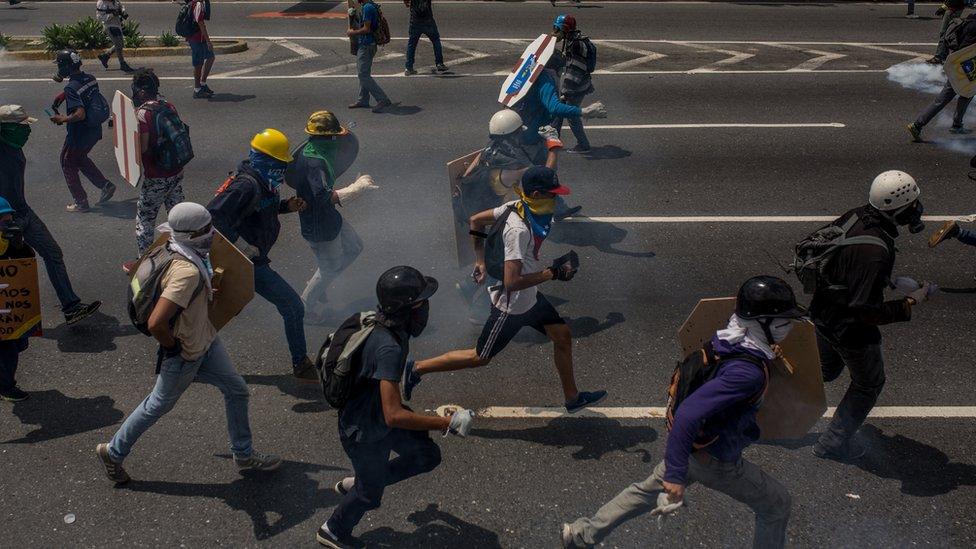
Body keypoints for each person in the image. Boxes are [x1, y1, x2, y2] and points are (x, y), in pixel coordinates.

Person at [562, 276, 801, 549]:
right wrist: (675, 475)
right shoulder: (747, 373)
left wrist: (677, 466)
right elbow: (688, 413)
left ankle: (581, 534)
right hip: (716, 460)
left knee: (643, 493)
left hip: (689, 448)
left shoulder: (730, 337)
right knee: (777, 503)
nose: (788, 326)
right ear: (762, 323)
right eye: (783, 320)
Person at [96, 202, 281, 484]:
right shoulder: (186, 273)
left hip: (204, 336)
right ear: (192, 234)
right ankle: (114, 451)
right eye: (207, 229)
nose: (213, 233)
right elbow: (156, 322)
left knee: (237, 390)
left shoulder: (169, 246)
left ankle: (243, 453)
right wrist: (172, 347)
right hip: (187, 350)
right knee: (156, 405)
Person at [405, 167, 607, 413]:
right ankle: (417, 368)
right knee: (480, 357)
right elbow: (512, 282)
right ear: (535, 193)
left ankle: (572, 398)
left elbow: (476, 220)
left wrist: (479, 260)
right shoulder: (518, 231)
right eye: (551, 195)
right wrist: (552, 273)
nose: (555, 200)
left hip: (530, 298)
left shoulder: (516, 206)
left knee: (562, 336)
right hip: (511, 306)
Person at [316, 266, 474, 549]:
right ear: (406, 308)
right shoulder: (388, 345)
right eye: (421, 303)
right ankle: (333, 530)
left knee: (426, 455)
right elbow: (394, 415)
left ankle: (362, 481)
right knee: (369, 496)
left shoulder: (386, 326)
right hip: (365, 430)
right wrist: (444, 423)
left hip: (376, 418)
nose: (426, 308)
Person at [809, 170, 931, 462]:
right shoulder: (875, 251)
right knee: (868, 383)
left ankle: (764, 404)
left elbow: (844, 262)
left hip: (823, 313)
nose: (917, 209)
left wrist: (887, 280)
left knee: (824, 371)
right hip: (849, 329)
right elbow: (865, 311)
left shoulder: (856, 216)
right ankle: (832, 444)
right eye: (913, 204)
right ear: (901, 208)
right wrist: (909, 302)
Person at [207, 128, 316, 382]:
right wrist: (242, 246)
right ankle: (301, 365)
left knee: (219, 311)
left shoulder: (266, 181)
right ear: (267, 161)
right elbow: (212, 217)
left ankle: (185, 354)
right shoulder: (244, 185)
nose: (282, 170)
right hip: (243, 261)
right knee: (292, 306)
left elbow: (258, 209)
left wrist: (286, 206)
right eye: (279, 164)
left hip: (253, 260)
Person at [453, 110, 562, 322]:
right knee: (503, 263)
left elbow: (466, 175)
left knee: (496, 259)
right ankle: (481, 310)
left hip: (477, 212)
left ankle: (467, 286)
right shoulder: (509, 169)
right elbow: (541, 178)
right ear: (513, 135)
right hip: (491, 218)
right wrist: (553, 146)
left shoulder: (488, 151)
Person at [0, 104, 101, 325]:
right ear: (6, 128)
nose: (27, 130)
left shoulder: (14, 144)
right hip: (5, 220)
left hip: (23, 211)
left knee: (53, 253)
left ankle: (71, 307)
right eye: (22, 125)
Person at [287, 111, 377, 324]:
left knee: (354, 247)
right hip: (319, 223)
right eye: (334, 136)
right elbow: (322, 197)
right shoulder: (314, 162)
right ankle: (304, 308)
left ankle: (321, 281)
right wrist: (356, 189)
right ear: (327, 137)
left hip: (327, 218)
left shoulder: (314, 151)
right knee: (328, 268)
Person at [120, 69, 188, 270]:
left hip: (157, 175)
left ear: (140, 91)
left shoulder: (143, 114)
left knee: (145, 220)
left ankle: (145, 264)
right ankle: (184, 252)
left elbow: (142, 147)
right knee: (177, 214)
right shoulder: (168, 105)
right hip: (176, 171)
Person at [49, 49, 117, 213]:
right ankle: (105, 185)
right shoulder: (90, 78)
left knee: (67, 163)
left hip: (80, 133)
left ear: (64, 67)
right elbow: (81, 89)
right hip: (93, 131)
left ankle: (81, 202)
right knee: (78, 158)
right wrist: (62, 96)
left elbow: (79, 114)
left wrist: (62, 118)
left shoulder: (71, 87)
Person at [908, 12, 976, 141]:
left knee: (958, 95)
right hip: (966, 68)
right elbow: (969, 51)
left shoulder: (968, 22)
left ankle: (954, 124)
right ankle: (919, 124)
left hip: (957, 67)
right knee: (963, 94)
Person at [0, 197, 35, 402]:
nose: (9, 224)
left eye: (10, 219)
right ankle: (6, 386)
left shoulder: (10, 240)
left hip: (9, 308)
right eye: (4, 222)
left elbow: (27, 261)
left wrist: (19, 244)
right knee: (8, 349)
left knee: (18, 343)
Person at [551, 15, 597, 153]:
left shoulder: (575, 45)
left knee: (571, 116)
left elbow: (576, 69)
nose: (554, 32)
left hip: (576, 87)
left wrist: (565, 92)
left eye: (557, 29)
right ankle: (553, 141)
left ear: (565, 30)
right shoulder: (572, 40)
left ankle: (584, 145)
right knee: (558, 112)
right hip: (575, 85)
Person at [347, 0, 392, 113]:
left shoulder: (367, 8)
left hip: (367, 45)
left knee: (363, 75)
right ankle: (363, 100)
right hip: (367, 44)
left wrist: (352, 33)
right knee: (364, 73)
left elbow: (367, 29)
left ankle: (382, 99)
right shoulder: (370, 5)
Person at [403, 0, 447, 75]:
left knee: (412, 44)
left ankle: (409, 67)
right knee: (436, 40)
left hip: (415, 21)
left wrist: (407, 3)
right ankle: (439, 63)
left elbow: (406, 2)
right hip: (428, 20)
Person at [185, 0, 215, 98]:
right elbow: (200, 23)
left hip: (199, 38)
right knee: (198, 64)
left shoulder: (199, 3)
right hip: (196, 38)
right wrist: (208, 41)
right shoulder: (197, 5)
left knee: (210, 57)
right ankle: (197, 89)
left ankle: (202, 83)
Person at [96, 0, 135, 73]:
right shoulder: (101, 3)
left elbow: (120, 7)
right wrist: (112, 15)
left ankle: (105, 56)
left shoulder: (116, 1)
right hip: (110, 26)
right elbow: (99, 17)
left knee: (120, 44)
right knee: (119, 45)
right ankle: (122, 64)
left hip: (117, 24)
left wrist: (123, 12)